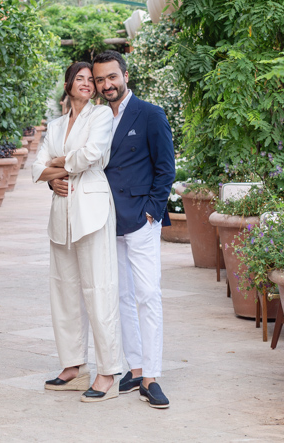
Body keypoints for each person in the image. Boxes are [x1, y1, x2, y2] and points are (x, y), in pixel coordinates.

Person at [52, 50, 176, 409]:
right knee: (119, 297)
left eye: (111, 77)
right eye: (100, 79)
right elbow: (79, 161)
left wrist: (152, 212)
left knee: (147, 296)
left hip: (139, 220)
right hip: (105, 222)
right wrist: (53, 183)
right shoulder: (97, 117)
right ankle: (134, 368)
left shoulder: (150, 114)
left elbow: (166, 169)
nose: (106, 85)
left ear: (125, 75)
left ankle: (152, 376)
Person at [31, 61, 123, 403]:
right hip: (61, 215)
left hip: (93, 211)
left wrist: (56, 166)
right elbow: (35, 166)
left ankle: (108, 372)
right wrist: (51, 176)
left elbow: (92, 154)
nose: (87, 84)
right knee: (64, 291)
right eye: (80, 79)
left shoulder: (100, 116)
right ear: (68, 84)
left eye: (91, 80)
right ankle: (73, 366)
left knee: (99, 289)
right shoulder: (55, 125)